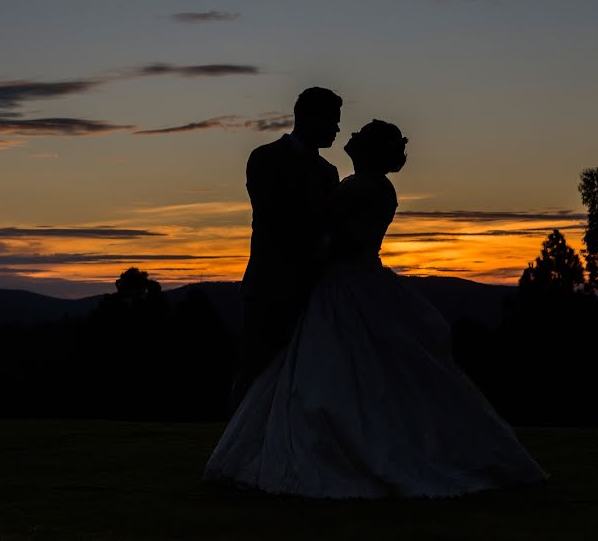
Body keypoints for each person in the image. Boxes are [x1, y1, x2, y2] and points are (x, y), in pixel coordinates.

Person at [205, 120, 547, 498]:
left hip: (347, 284)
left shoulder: (363, 186)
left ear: (369, 149)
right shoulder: (367, 185)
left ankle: (351, 448)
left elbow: (320, 225)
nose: (348, 136)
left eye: (360, 135)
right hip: (352, 281)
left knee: (340, 368)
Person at [229, 87, 343, 409]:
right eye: (332, 121)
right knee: (256, 369)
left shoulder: (328, 172)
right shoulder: (265, 158)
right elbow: (273, 217)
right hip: (270, 285)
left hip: (314, 290)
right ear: (307, 118)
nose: (337, 130)